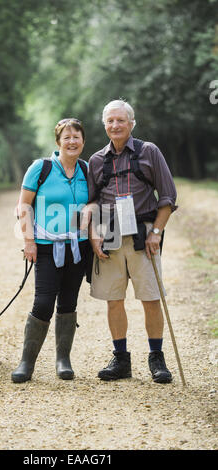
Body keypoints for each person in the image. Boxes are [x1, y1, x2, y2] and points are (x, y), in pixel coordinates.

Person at [86, 99, 177, 384]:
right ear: (104, 125)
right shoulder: (96, 160)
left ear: (131, 123)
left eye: (121, 120)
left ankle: (157, 358)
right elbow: (91, 202)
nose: (115, 125)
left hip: (143, 231)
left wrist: (156, 233)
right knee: (114, 299)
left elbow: (167, 197)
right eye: (110, 121)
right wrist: (94, 235)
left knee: (150, 297)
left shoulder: (149, 151)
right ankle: (121, 359)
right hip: (109, 232)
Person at [11, 118, 89, 383]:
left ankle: (63, 360)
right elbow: (24, 206)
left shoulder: (87, 170)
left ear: (83, 142)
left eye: (76, 137)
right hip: (45, 246)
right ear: (58, 142)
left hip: (77, 247)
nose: (72, 141)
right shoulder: (40, 168)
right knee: (43, 302)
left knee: (68, 302)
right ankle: (26, 363)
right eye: (66, 137)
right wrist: (28, 241)